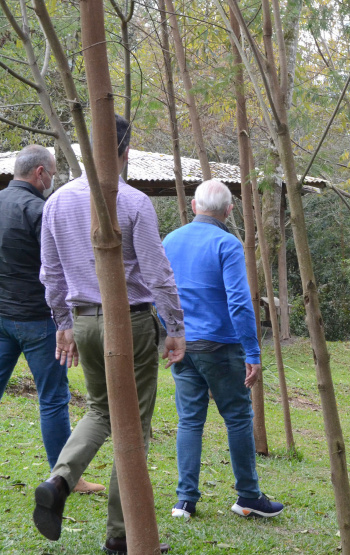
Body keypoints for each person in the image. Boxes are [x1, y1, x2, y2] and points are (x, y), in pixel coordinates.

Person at [33, 115, 185, 555]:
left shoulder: (57, 202)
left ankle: (59, 479)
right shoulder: (135, 202)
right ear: (125, 152)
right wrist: (174, 327)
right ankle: (122, 536)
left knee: (100, 409)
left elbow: (51, 273)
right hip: (131, 321)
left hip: (82, 321)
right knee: (133, 427)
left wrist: (63, 322)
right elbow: (158, 274)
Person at [161, 179, 283, 520]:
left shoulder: (170, 240)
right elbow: (241, 303)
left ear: (196, 206)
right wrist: (253, 353)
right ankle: (248, 496)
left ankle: (184, 500)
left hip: (183, 345)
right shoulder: (228, 244)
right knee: (238, 418)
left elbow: (158, 290)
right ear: (229, 211)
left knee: (189, 420)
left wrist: (170, 332)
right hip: (221, 347)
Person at [0, 145, 103, 494]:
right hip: (39, 321)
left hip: (1, 316)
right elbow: (56, 270)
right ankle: (66, 478)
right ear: (40, 173)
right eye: (53, 172)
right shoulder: (40, 211)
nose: (53, 179)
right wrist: (68, 319)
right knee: (53, 399)